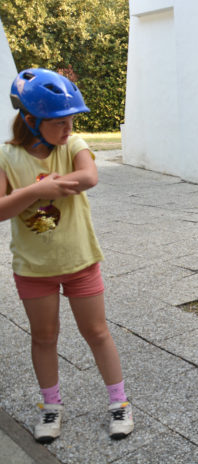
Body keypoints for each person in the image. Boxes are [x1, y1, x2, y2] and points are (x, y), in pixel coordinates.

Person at [0, 68, 134, 442]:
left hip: (80, 262)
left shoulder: (73, 145)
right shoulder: (6, 156)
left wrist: (48, 186)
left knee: (97, 331)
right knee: (43, 337)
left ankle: (119, 403)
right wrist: (36, 192)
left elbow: (89, 177)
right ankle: (50, 408)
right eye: (60, 122)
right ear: (30, 119)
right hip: (33, 269)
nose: (68, 127)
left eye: (72, 119)